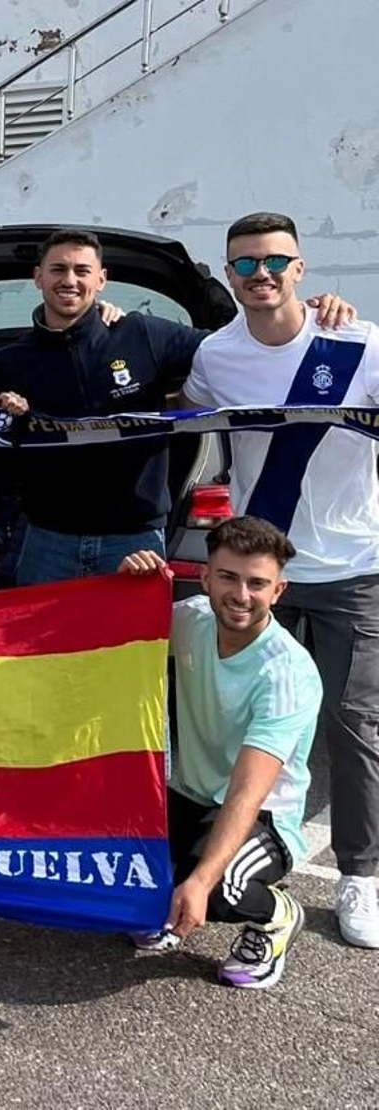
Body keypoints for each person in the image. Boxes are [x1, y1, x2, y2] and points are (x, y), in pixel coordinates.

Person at [184, 211, 379, 949]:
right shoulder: (215, 355)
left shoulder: (356, 343)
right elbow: (179, 425)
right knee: (249, 720)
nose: (259, 276)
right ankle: (252, 855)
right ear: (228, 273)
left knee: (351, 722)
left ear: (301, 268)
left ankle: (360, 873)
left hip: (352, 565)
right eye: (244, 265)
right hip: (260, 569)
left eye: (274, 262)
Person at [0, 227, 354, 587]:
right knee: (43, 651)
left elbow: (240, 347)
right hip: (47, 538)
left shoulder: (142, 334)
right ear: (38, 277)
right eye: (58, 269)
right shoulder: (9, 362)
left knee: (134, 649)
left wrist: (308, 318)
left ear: (101, 280)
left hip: (135, 539)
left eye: (82, 270)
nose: (70, 280)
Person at [117, 516, 319, 989]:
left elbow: (247, 795)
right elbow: (110, 631)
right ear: (205, 576)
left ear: (279, 591)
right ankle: (169, 892)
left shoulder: (287, 672)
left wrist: (202, 881)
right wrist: (126, 585)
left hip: (263, 814)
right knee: (111, 845)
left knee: (221, 887)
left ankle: (279, 915)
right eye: (228, 577)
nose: (241, 595)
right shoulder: (190, 620)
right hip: (188, 792)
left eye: (257, 583)